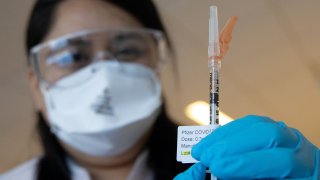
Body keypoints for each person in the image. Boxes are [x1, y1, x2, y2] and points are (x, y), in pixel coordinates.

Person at [1, 0, 319, 180]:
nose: (105, 76)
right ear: (36, 85)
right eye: (73, 56)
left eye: (127, 51)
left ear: (157, 65)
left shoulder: (219, 166)